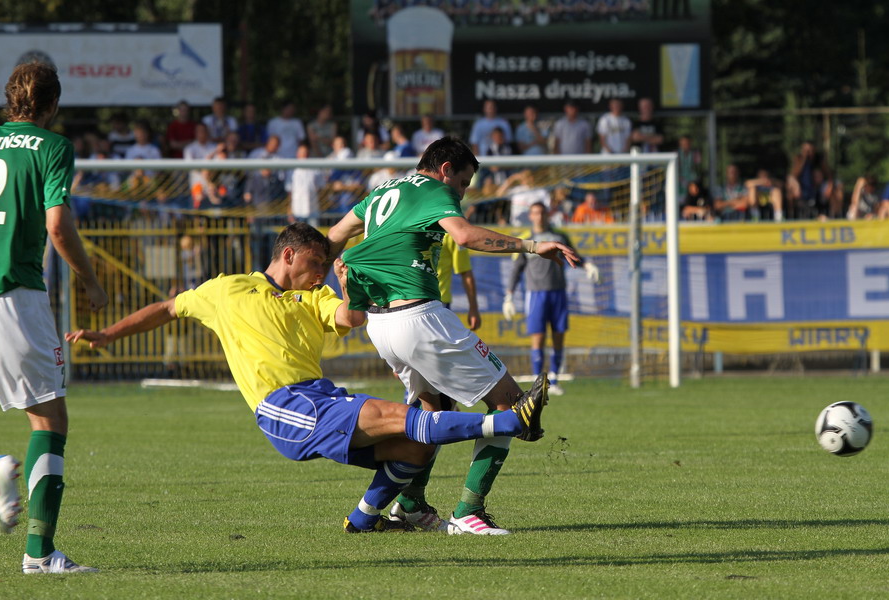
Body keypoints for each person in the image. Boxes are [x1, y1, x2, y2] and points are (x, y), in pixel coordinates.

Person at [65, 224, 546, 534]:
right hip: (281, 405)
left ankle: (362, 522)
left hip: (318, 398)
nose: (318, 276)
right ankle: (508, 423)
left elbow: (350, 317)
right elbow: (168, 308)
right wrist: (108, 334)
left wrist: (344, 280)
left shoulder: (312, 298)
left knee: (415, 446)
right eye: (316, 265)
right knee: (399, 415)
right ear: (289, 255)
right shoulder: (227, 289)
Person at [328, 136, 579, 535]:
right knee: (510, 403)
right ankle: (469, 512)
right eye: (462, 184)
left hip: (379, 323)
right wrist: (531, 245)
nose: (460, 194)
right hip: (418, 317)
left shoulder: (381, 192)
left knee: (431, 411)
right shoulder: (432, 189)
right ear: (445, 169)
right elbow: (463, 236)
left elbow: (334, 235)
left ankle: (407, 504)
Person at [0, 61, 108, 574]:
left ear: (9, 98)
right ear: (53, 104)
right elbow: (58, 226)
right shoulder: (53, 147)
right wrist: (90, 279)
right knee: (49, 417)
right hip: (13, 292)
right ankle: (39, 553)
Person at [503, 202, 598, 396]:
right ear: (530, 216)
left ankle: (554, 380)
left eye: (542, 213)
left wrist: (587, 265)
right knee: (537, 337)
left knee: (558, 336)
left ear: (547, 215)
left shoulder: (559, 237)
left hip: (558, 292)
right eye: (535, 213)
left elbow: (574, 256)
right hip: (536, 293)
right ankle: (539, 383)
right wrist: (509, 296)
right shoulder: (527, 240)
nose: (539, 216)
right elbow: (517, 269)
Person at [287, 141, 325, 227]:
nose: (303, 155)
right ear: (297, 154)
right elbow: (289, 191)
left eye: (305, 153)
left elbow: (321, 187)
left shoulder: (315, 169)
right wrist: (289, 210)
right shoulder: (292, 171)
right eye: (301, 153)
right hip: (297, 209)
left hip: (313, 209)